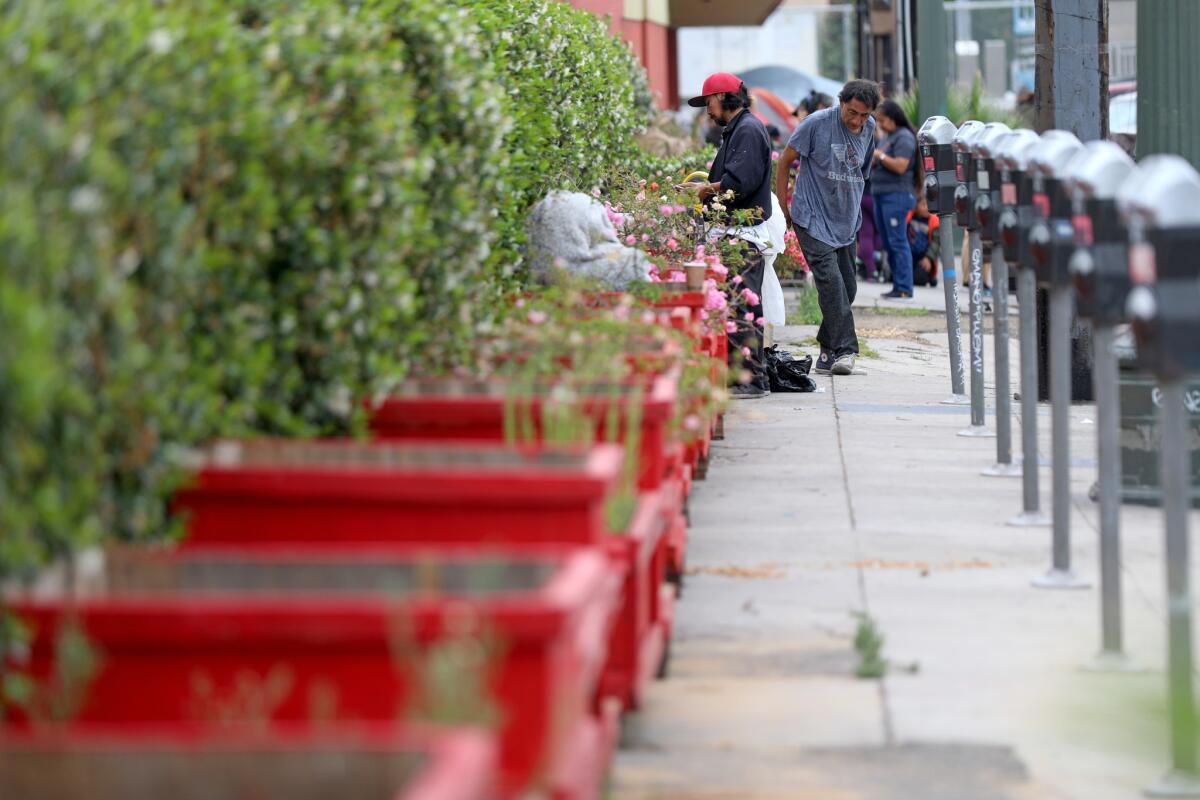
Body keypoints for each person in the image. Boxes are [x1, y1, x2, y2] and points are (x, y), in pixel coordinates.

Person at [774, 79, 881, 376]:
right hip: (811, 217)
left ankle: (827, 349)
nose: (857, 120)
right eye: (853, 112)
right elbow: (784, 162)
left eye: (864, 115)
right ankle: (847, 351)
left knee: (847, 288)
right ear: (841, 102)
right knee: (832, 285)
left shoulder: (870, 128)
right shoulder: (816, 124)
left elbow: (862, 170)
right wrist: (784, 208)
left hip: (846, 220)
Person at [687, 72, 776, 399]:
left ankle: (749, 380)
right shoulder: (739, 129)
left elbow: (738, 184)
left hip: (742, 233)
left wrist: (704, 189)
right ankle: (751, 378)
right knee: (740, 307)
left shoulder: (748, 130)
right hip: (736, 231)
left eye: (708, 102)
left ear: (724, 97)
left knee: (741, 310)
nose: (707, 110)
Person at [871, 99, 920, 300]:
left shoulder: (904, 138)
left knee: (898, 240)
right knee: (889, 242)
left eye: (882, 120)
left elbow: (900, 166)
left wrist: (879, 156)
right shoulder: (889, 137)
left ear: (892, 119)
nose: (880, 124)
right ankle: (897, 285)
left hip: (896, 196)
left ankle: (904, 288)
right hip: (882, 194)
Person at [907, 194, 940, 287]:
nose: (926, 208)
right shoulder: (910, 218)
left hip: (923, 258)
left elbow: (936, 243)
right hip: (909, 256)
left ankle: (930, 277)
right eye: (923, 205)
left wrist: (928, 258)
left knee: (919, 279)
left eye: (929, 205)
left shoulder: (934, 222)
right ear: (916, 206)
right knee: (895, 275)